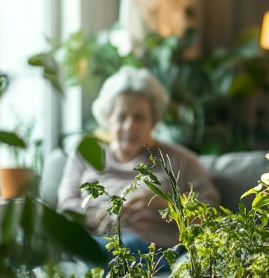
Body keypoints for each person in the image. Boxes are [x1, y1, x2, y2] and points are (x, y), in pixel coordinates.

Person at [58, 66, 221, 252]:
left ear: (153, 121)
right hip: (94, 241)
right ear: (108, 119)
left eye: (139, 117)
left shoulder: (181, 160)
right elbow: (65, 207)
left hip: (150, 250)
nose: (130, 126)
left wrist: (164, 203)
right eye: (121, 117)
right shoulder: (84, 155)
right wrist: (96, 215)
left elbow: (211, 213)